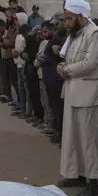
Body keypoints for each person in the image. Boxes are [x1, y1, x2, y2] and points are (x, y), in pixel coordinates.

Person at [55, 0, 98, 196]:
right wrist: (61, 67)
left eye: (69, 18)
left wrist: (66, 70)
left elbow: (90, 63)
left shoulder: (94, 33)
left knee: (90, 141)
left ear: (80, 15)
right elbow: (68, 58)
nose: (67, 22)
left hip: (90, 95)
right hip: (73, 92)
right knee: (73, 138)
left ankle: (93, 184)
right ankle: (77, 174)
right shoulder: (76, 34)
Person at [41, 16, 67, 144]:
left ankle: (62, 134)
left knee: (60, 109)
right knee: (53, 107)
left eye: (59, 22)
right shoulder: (56, 38)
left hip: (58, 79)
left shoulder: (66, 38)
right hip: (50, 78)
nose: (57, 26)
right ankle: (57, 130)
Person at [23, 24, 44, 127]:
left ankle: (40, 117)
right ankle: (36, 115)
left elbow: (36, 56)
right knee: (33, 95)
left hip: (36, 72)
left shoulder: (41, 44)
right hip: (30, 70)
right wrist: (24, 55)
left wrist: (28, 56)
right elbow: (26, 53)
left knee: (38, 96)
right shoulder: (32, 42)